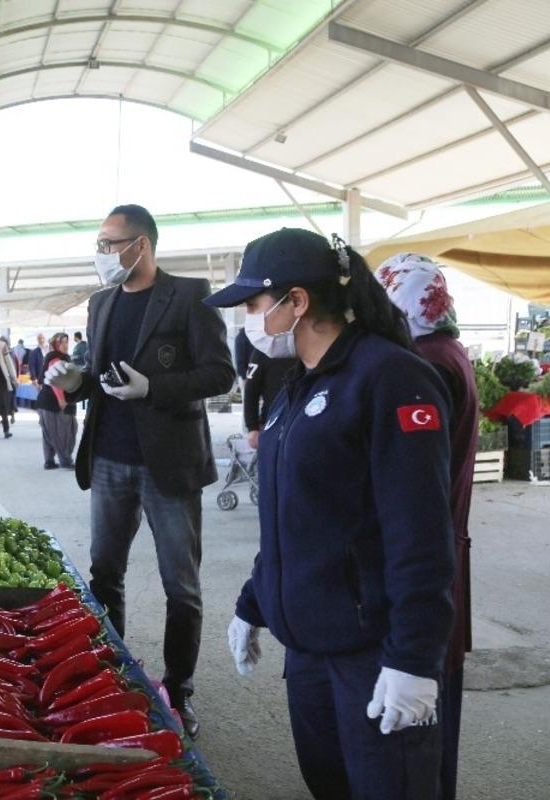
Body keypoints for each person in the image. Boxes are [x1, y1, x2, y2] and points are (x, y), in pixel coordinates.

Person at [208, 229, 453, 800]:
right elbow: (295, 517)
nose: (248, 318)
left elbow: (420, 534)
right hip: (311, 648)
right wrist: (255, 601)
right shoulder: (297, 385)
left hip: (374, 651)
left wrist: (414, 658)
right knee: (330, 784)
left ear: (297, 302)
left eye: (253, 303)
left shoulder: (390, 377)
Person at [45, 203, 234, 738]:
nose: (101, 253)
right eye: (99, 243)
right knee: (105, 573)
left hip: (168, 463)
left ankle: (179, 689)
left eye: (109, 243)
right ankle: (114, 678)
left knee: (182, 584)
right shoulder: (102, 302)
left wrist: (154, 388)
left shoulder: (191, 296)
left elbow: (221, 373)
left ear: (140, 246)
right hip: (108, 457)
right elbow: (98, 378)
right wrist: (72, 380)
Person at [376, 253, 478, 800]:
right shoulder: (446, 350)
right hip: (446, 547)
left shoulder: (426, 367)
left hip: (429, 558)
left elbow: (413, 486)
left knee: (420, 725)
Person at [242, 346, 299, 449]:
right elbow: (251, 391)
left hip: (303, 420)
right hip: (273, 423)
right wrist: (252, 427)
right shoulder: (264, 348)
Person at [38, 333, 77, 469]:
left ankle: (49, 461)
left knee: (49, 431)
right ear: (56, 344)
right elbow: (56, 380)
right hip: (54, 402)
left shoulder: (51, 357)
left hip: (45, 401)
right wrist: (61, 399)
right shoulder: (56, 359)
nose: (66, 345)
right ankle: (66, 460)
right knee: (63, 431)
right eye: (63, 342)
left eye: (67, 342)